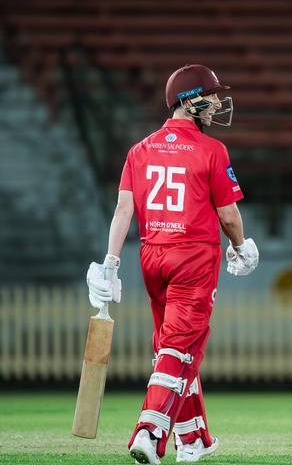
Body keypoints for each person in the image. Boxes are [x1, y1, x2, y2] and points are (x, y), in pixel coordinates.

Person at [86, 64, 259, 464]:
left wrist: (110, 263)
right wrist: (242, 246)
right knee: (181, 349)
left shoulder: (140, 149)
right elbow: (229, 215)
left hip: (152, 255)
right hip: (194, 256)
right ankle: (149, 430)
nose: (217, 103)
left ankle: (194, 437)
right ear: (189, 101)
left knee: (169, 344)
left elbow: (123, 210)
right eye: (211, 96)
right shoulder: (212, 150)